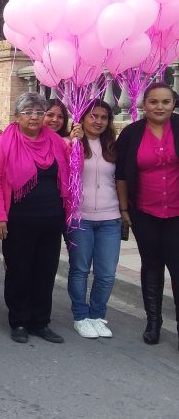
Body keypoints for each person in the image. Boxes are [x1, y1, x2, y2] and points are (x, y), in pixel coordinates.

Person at [0, 92, 70, 344]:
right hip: (18, 219)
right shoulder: (4, 143)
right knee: (19, 271)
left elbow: (68, 172)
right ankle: (20, 321)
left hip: (51, 218)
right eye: (28, 112)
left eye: (39, 112)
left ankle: (40, 322)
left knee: (46, 272)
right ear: (17, 116)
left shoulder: (55, 141)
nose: (34, 117)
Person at [115, 82, 179, 346]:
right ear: (144, 104)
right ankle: (153, 323)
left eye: (165, 102)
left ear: (173, 103)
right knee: (151, 266)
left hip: (177, 212)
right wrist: (124, 209)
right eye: (154, 102)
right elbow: (120, 175)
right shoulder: (132, 133)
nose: (159, 107)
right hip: (144, 211)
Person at [66, 100, 119, 339]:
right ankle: (80, 316)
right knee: (80, 269)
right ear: (83, 117)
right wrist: (72, 142)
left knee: (106, 273)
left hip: (111, 218)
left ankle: (97, 315)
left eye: (103, 117)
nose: (98, 121)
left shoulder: (114, 147)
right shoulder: (72, 144)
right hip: (81, 218)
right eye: (93, 116)